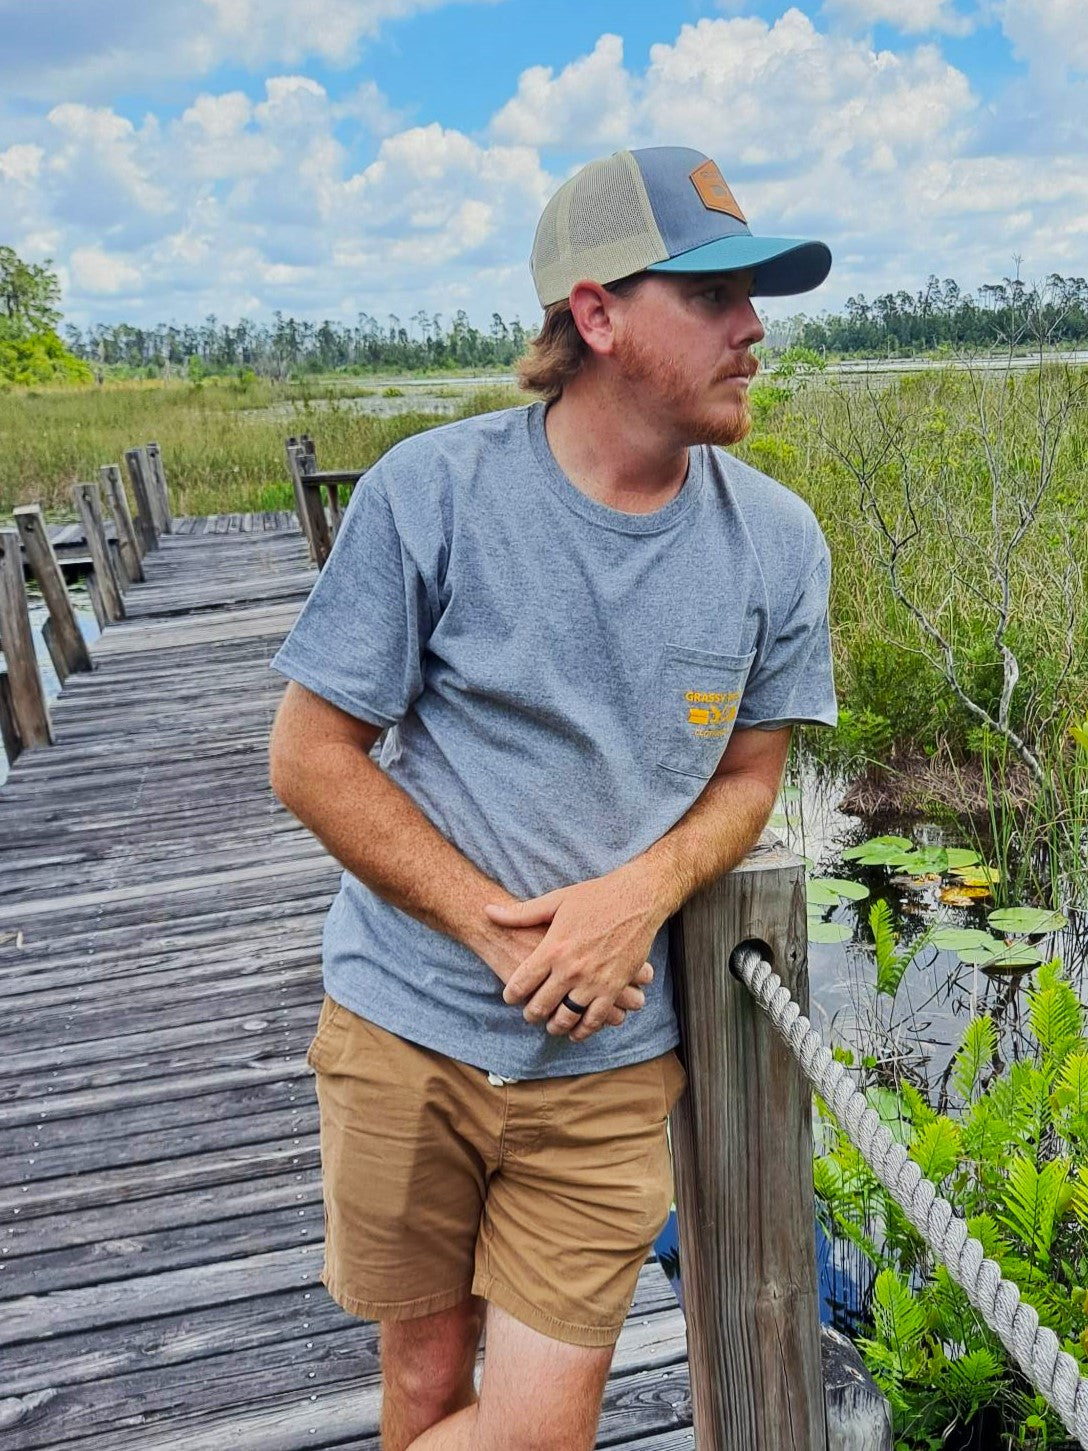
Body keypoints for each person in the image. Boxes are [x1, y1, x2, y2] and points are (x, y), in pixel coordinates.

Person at [267, 144, 837, 1451]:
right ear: (595, 315)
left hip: (608, 1068)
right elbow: (309, 756)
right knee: (417, 1394)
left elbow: (755, 775)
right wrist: (492, 928)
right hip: (404, 1030)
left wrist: (634, 898)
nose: (755, 328)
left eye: (756, 296)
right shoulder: (435, 493)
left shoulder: (778, 544)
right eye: (712, 295)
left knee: (533, 1435)